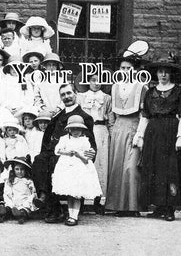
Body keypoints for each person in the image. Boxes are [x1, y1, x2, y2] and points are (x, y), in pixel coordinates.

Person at [31, 83, 96, 224]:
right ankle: (48, 202)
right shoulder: (58, 116)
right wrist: (45, 153)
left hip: (72, 157)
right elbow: (47, 139)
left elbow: (90, 143)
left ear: (75, 94)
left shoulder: (84, 117)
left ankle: (52, 207)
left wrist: (90, 154)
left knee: (53, 164)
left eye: (69, 93)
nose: (66, 97)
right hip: (55, 153)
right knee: (39, 161)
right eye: (63, 95)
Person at [134, 55, 181, 222]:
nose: (163, 75)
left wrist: (179, 137)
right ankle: (157, 206)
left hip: (170, 131)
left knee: (168, 170)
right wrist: (139, 136)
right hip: (153, 132)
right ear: (157, 74)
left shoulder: (178, 91)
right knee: (152, 168)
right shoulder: (150, 92)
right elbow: (145, 115)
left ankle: (169, 208)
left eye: (166, 72)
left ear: (170, 74)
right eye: (161, 72)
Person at [105, 53, 148, 216]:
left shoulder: (141, 87)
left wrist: (140, 134)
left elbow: (144, 113)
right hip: (118, 128)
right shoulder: (115, 87)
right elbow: (111, 112)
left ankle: (132, 206)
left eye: (129, 68)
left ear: (135, 70)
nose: (125, 71)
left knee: (131, 168)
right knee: (117, 167)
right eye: (122, 68)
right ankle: (118, 206)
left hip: (134, 128)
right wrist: (112, 129)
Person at [52, 115, 103, 226]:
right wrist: (67, 153)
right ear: (69, 129)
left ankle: (75, 216)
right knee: (70, 194)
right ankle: (71, 215)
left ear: (82, 130)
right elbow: (57, 150)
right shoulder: (64, 139)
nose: (76, 131)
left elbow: (86, 160)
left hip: (80, 169)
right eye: (73, 129)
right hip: (66, 168)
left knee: (77, 194)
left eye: (78, 129)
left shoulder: (85, 141)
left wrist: (79, 155)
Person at [76, 72, 114, 214]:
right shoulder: (81, 97)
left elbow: (110, 119)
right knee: (84, 162)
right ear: (88, 81)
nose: (96, 83)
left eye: (99, 80)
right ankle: (80, 200)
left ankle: (99, 200)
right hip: (85, 131)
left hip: (101, 130)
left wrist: (111, 135)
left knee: (101, 165)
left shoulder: (107, 98)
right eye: (93, 80)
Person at [3, 156, 37, 224]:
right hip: (14, 200)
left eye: (22, 169)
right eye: (17, 169)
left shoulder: (28, 181)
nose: (20, 171)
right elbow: (7, 192)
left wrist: (32, 190)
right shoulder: (10, 181)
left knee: (24, 208)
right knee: (9, 207)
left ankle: (21, 216)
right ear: (13, 170)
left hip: (25, 200)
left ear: (26, 170)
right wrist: (11, 201)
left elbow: (33, 192)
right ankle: (3, 214)